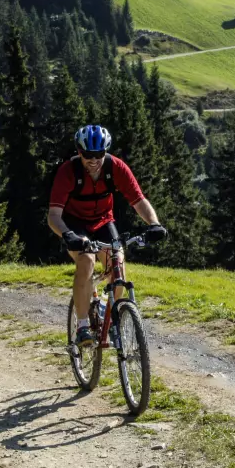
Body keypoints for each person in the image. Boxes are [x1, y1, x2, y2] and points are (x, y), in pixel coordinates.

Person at [48, 124, 166, 347]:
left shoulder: (116, 168)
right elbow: (53, 215)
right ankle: (82, 325)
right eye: (87, 155)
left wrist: (154, 224)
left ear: (106, 151)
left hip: (103, 220)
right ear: (79, 152)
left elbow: (138, 200)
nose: (93, 160)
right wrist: (67, 235)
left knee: (118, 265)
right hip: (74, 225)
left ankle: (105, 311)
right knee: (86, 261)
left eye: (99, 154)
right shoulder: (68, 172)